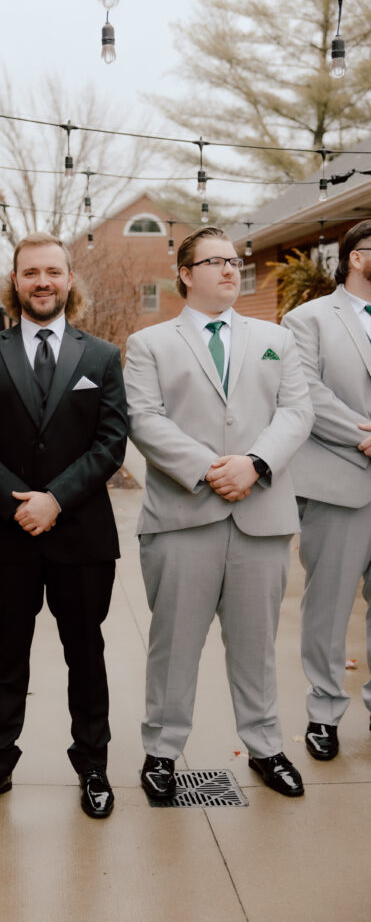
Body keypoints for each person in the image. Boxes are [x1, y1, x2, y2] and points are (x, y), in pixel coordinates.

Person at [125, 226, 314, 800]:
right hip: (184, 514)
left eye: (235, 261)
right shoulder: (149, 344)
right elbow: (145, 418)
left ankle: (265, 746)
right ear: (185, 274)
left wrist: (254, 463)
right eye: (215, 262)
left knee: (256, 644)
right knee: (174, 642)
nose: (231, 271)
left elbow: (296, 410)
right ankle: (162, 751)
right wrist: (213, 468)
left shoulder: (276, 338)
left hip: (261, 514)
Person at [0, 233, 128, 819]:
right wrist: (17, 501)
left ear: (69, 280)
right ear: (16, 280)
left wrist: (55, 499)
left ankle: (94, 767)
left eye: (53, 270)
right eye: (32, 272)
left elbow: (110, 444)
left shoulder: (100, 357)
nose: (43, 281)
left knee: (86, 653)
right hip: (7, 536)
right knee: (7, 655)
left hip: (81, 536)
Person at [282, 221, 371, 761]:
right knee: (328, 607)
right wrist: (366, 435)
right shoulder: (306, 319)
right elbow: (306, 392)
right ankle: (323, 712)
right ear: (357, 257)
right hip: (339, 482)